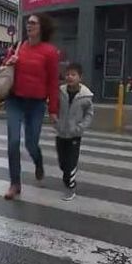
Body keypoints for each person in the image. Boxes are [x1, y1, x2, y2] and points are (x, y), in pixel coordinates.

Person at [3, 13, 60, 200]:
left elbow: (52, 82)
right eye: (28, 23)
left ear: (41, 27)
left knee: (31, 143)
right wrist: (8, 62)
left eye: (33, 23)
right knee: (12, 141)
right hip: (15, 100)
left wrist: (53, 110)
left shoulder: (50, 52)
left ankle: (39, 162)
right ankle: (15, 183)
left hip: (36, 103)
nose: (29, 25)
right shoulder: (18, 47)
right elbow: (5, 69)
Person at [55, 62, 94, 201]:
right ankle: (67, 176)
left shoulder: (85, 96)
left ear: (80, 77)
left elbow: (89, 114)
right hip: (61, 133)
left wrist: (81, 127)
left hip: (74, 135)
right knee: (62, 162)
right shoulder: (61, 91)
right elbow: (54, 106)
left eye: (73, 74)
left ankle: (70, 188)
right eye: (68, 74)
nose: (70, 77)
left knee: (71, 162)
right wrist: (55, 120)